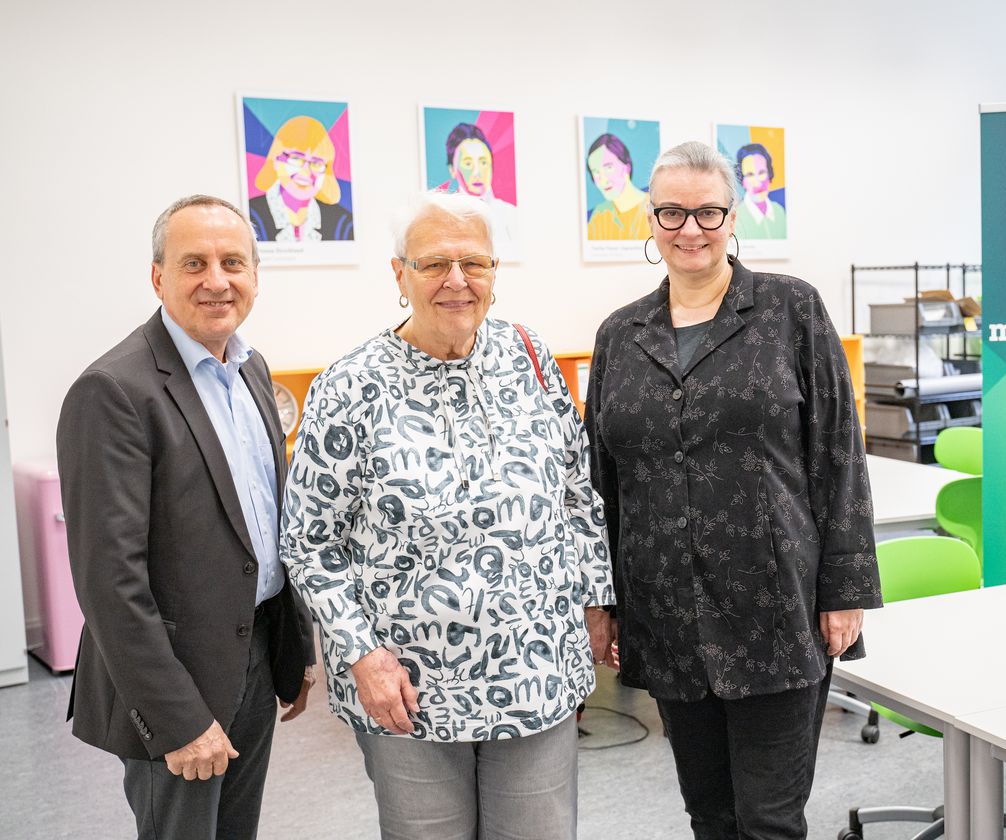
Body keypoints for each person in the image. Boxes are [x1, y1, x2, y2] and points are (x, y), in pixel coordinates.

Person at [280, 191, 614, 840]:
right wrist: (361, 654)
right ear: (399, 274)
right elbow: (309, 540)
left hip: (535, 668)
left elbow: (579, 493)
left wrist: (596, 602)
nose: (457, 280)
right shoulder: (349, 387)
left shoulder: (530, 358)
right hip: (407, 683)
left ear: (494, 273)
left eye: (474, 263)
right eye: (434, 263)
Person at [584, 141, 881, 840]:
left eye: (707, 212)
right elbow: (600, 483)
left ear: (732, 216)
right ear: (650, 220)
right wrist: (601, 601)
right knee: (710, 815)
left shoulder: (790, 309)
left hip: (777, 609)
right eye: (672, 212)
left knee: (769, 821)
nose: (690, 229)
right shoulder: (620, 335)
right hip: (667, 611)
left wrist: (846, 590)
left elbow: (839, 452)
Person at [56, 194, 317, 840]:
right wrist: (177, 719)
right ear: (158, 277)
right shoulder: (114, 390)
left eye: (233, 262)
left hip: (255, 653)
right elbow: (109, 581)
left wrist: (294, 645)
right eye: (194, 263)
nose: (216, 281)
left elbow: (268, 526)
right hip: (175, 680)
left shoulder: (251, 369)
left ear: (255, 275)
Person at [249, 115, 354, 243]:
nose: (306, 171)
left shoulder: (343, 224)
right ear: (276, 160)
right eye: (296, 158)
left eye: (316, 163)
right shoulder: (251, 217)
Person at [441, 122, 518, 247]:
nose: (477, 172)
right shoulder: (443, 219)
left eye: (483, 162)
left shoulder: (512, 214)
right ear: (452, 170)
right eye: (468, 164)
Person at [585, 132, 650, 240]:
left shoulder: (655, 208)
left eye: (608, 168)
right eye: (596, 172)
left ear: (627, 167)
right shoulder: (598, 215)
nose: (603, 180)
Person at [733, 142, 787, 240]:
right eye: (750, 175)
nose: (758, 183)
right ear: (742, 180)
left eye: (762, 173)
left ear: (769, 174)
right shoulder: (737, 218)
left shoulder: (779, 211)